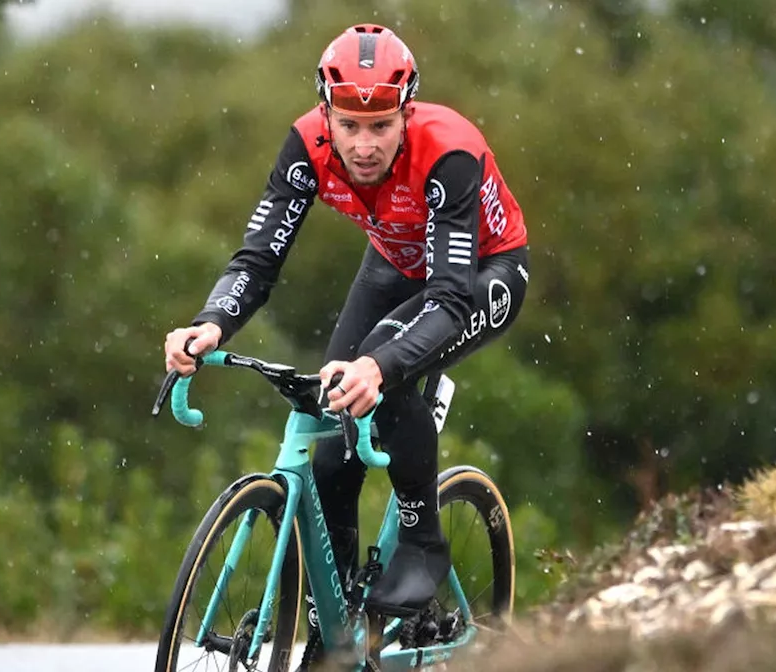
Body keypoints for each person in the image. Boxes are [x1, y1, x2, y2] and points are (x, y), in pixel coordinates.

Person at [162, 22, 530, 668]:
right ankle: (339, 635)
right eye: (349, 125)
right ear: (325, 112)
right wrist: (212, 321)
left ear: (405, 115)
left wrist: (383, 366)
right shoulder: (306, 144)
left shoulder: (448, 152)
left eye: (380, 126)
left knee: (380, 374)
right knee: (331, 449)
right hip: (392, 262)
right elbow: (258, 257)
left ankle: (422, 538)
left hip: (480, 274)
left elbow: (447, 300)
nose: (363, 145)